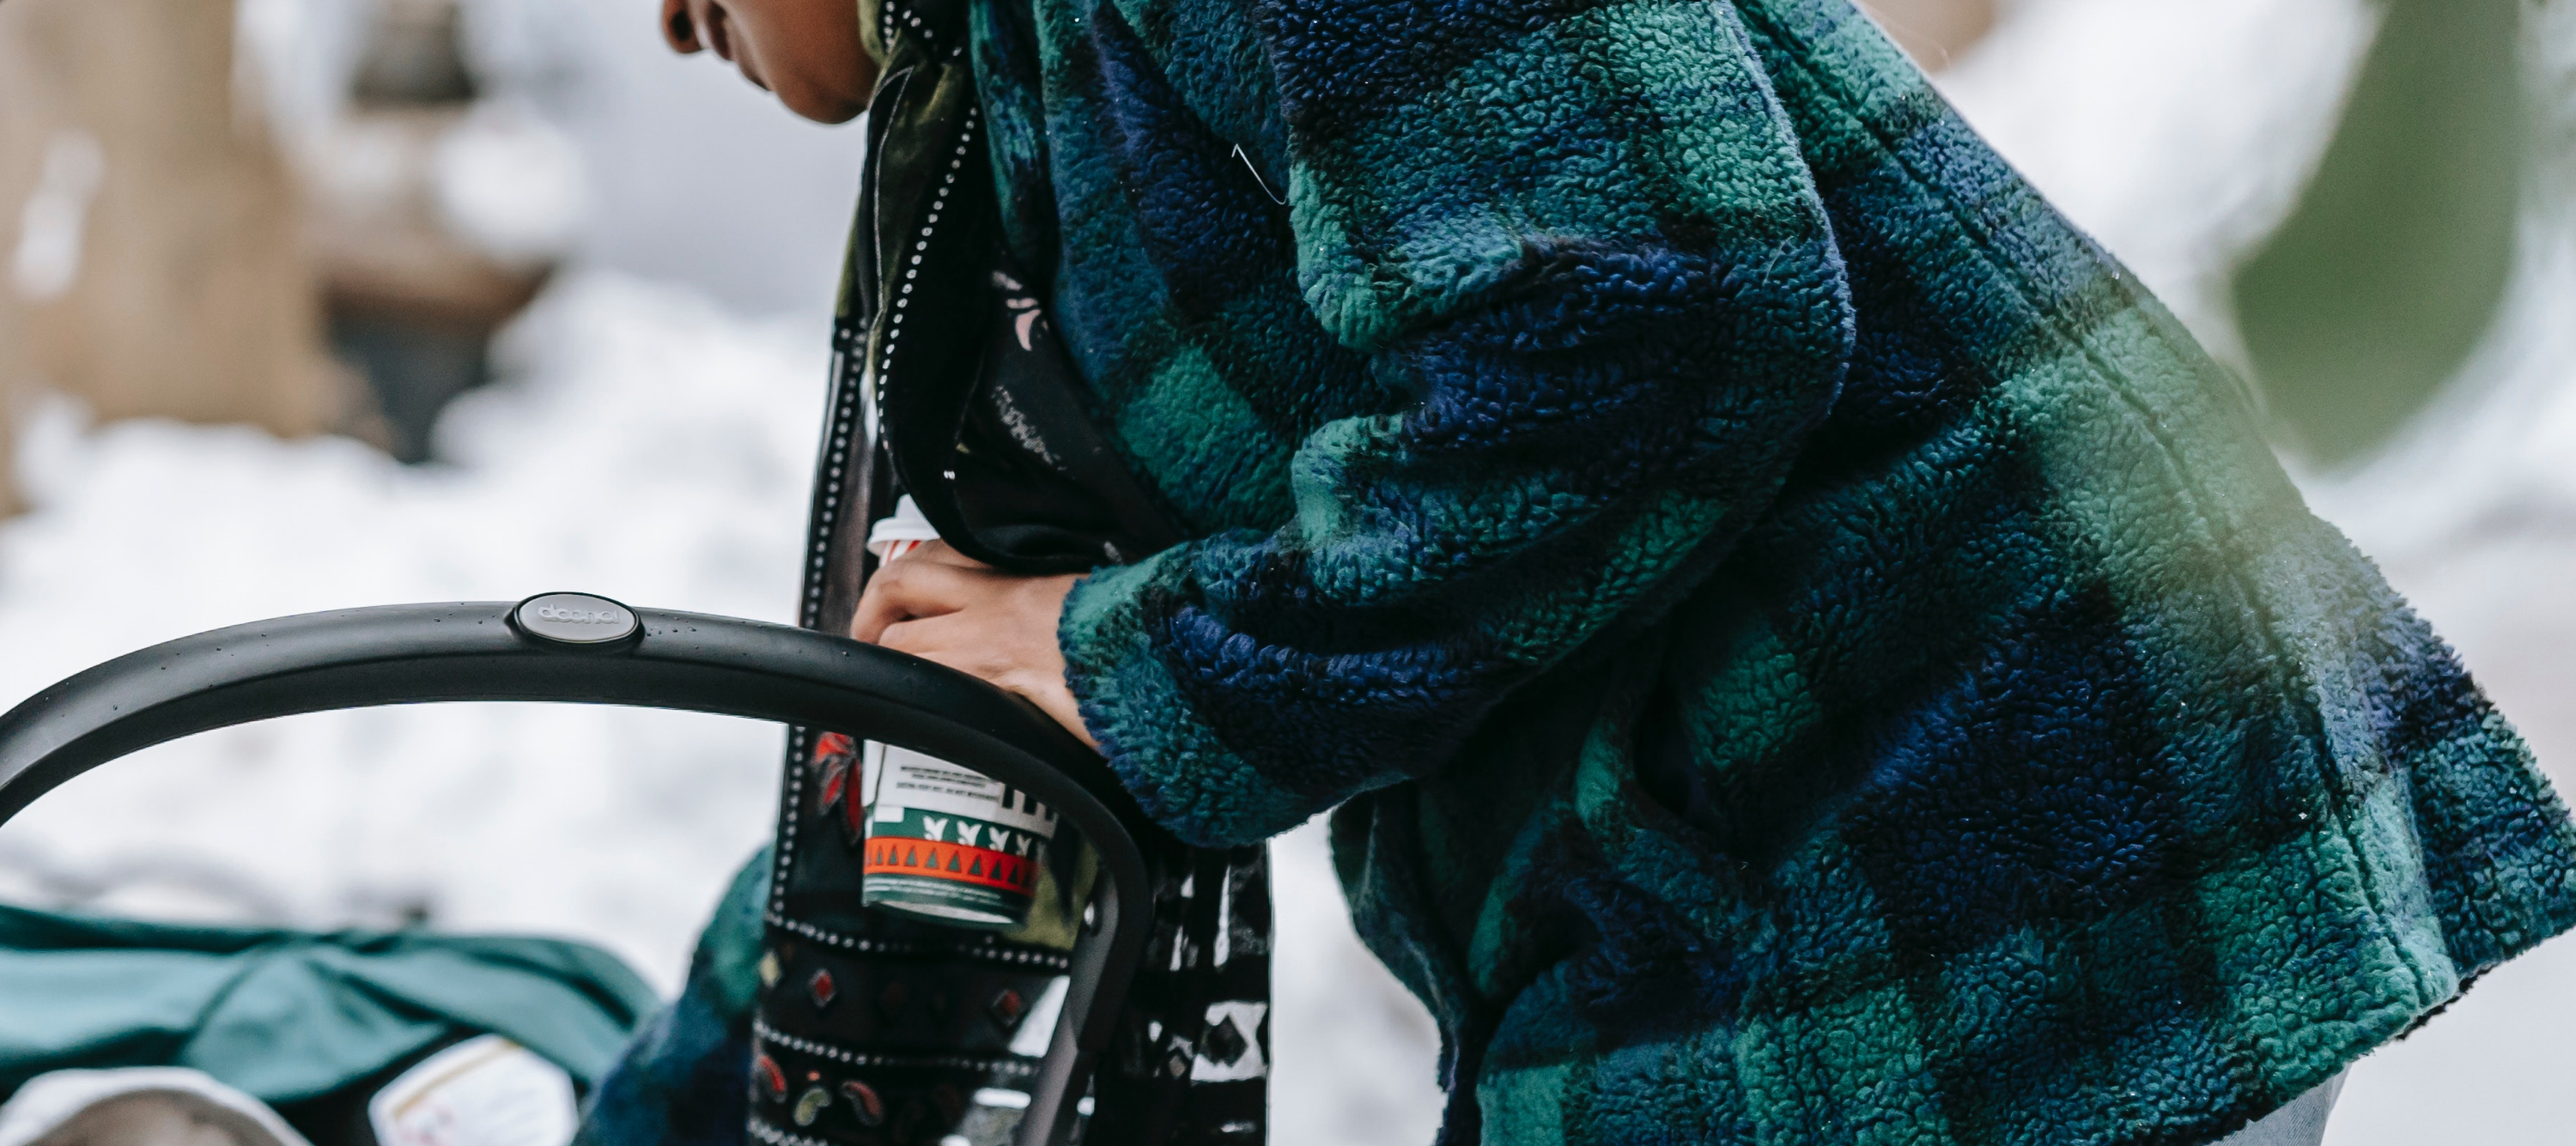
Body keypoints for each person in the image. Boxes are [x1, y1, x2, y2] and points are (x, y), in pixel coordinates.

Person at [598, 0, 2576, 1144]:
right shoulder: (1002, 130)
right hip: (1720, 939)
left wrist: (1156, 669)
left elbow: (1662, 310)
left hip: (1975, 898)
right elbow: (940, 739)